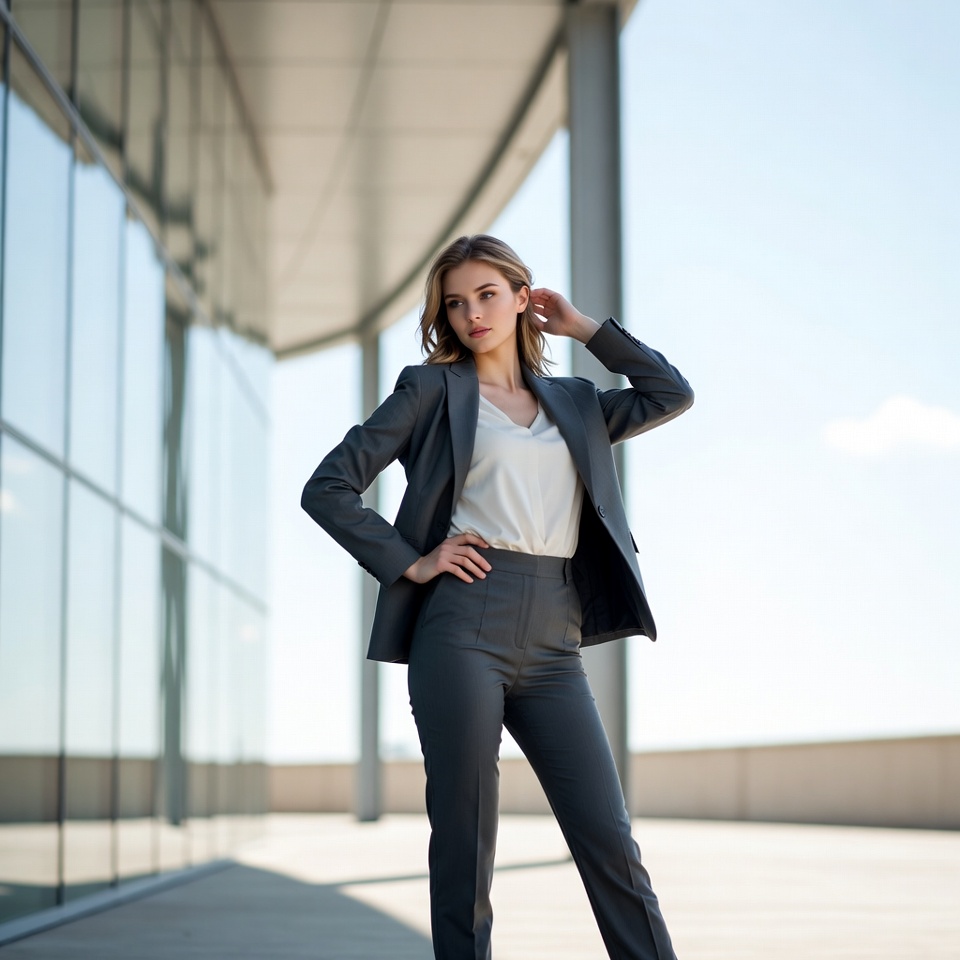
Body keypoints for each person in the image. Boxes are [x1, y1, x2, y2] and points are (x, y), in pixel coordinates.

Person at [302, 234, 693, 960]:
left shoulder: (576, 403)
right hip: (461, 625)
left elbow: (671, 393)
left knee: (608, 837)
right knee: (464, 840)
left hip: (555, 636)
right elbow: (328, 486)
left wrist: (585, 329)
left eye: (487, 295)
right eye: (455, 303)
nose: (471, 314)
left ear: (522, 297)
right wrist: (412, 562)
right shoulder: (431, 389)